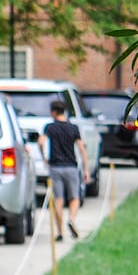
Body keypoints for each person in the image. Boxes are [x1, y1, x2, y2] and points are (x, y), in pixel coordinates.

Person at [38, 98, 89, 241]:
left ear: (54, 112)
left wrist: (44, 158)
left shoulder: (50, 127)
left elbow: (41, 142)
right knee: (74, 198)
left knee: (58, 200)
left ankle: (60, 232)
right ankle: (71, 218)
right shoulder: (73, 128)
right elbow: (81, 147)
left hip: (55, 167)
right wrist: (86, 169)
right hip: (71, 167)